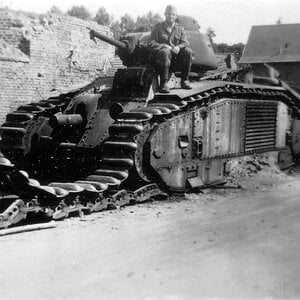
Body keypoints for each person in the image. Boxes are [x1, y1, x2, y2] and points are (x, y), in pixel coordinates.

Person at [147, 5, 194, 93]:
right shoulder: (158, 28)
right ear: (165, 14)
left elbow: (185, 43)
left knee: (188, 52)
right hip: (160, 58)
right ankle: (164, 83)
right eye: (168, 14)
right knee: (165, 51)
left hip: (175, 58)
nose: (171, 16)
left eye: (173, 14)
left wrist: (178, 47)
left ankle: (184, 80)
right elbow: (150, 43)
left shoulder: (180, 29)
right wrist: (163, 46)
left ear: (176, 16)